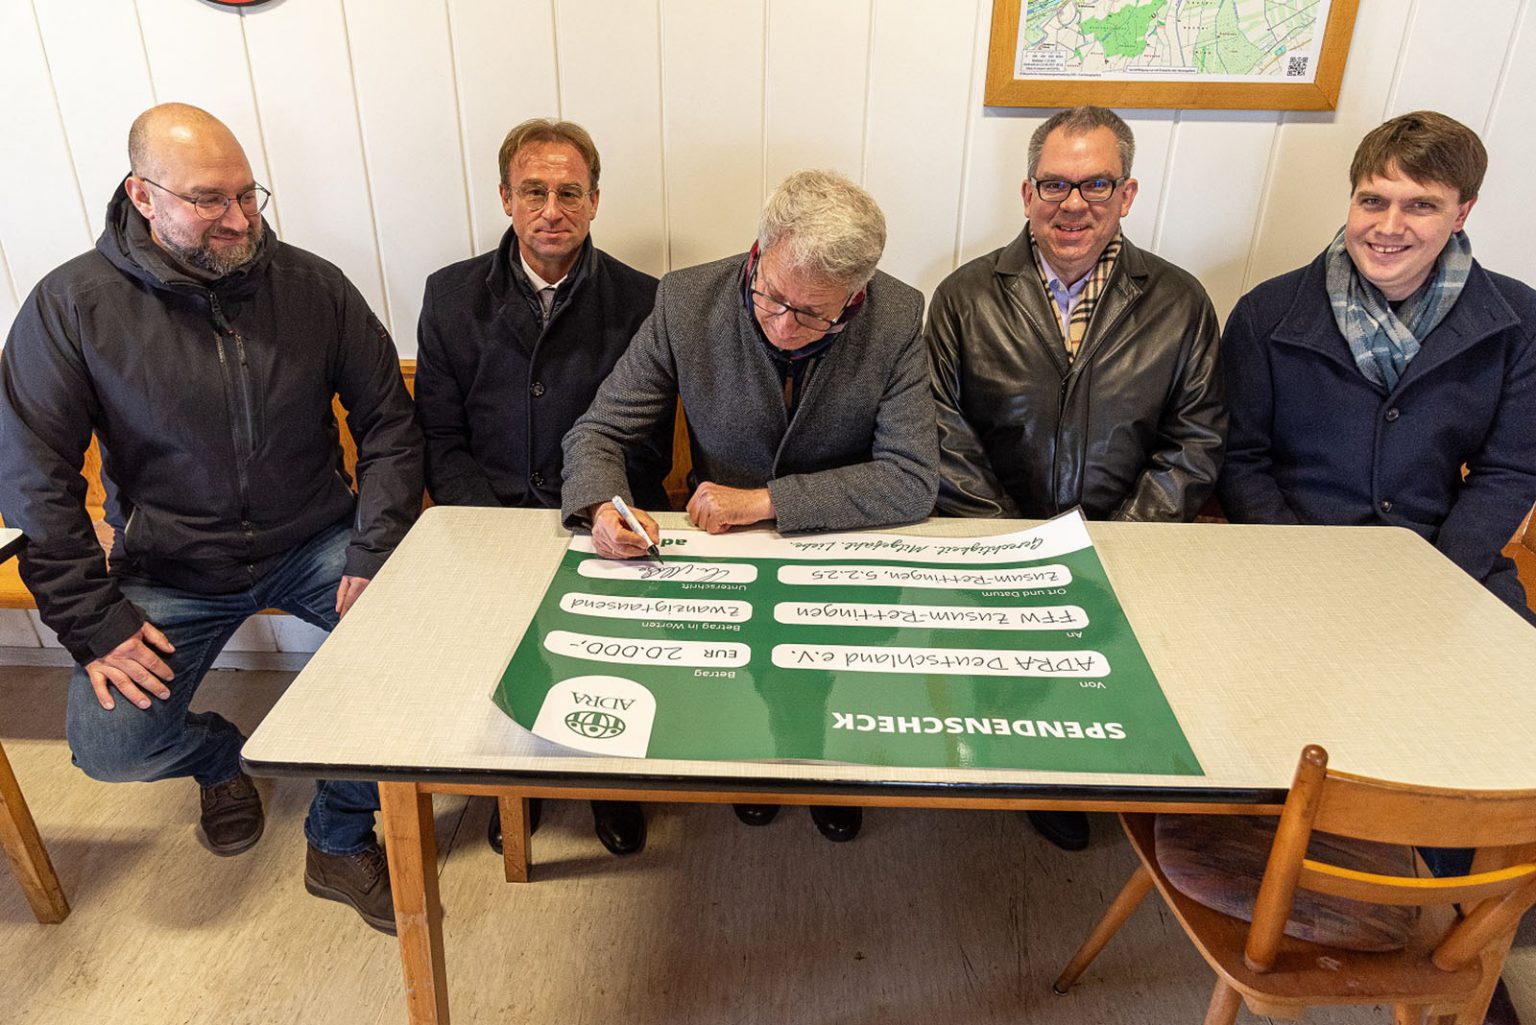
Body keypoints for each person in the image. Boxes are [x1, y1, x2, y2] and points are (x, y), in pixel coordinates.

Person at [0, 103, 423, 934]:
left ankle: (339, 835)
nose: (239, 220)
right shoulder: (71, 306)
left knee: (416, 661)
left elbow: (389, 425)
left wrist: (375, 551)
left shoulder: (313, 286)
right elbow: (34, 479)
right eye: (209, 200)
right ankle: (221, 756)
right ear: (143, 195)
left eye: (248, 194)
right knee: (111, 746)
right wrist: (95, 621)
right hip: (169, 564)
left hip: (316, 540)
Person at [561, 169, 939, 843]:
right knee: (737, 678)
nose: (785, 325)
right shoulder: (686, 301)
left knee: (828, 678)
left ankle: (825, 769)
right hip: (725, 558)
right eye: (772, 297)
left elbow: (911, 477)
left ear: (855, 296)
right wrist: (600, 505)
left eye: (813, 313)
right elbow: (600, 430)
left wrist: (766, 501)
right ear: (758, 254)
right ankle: (753, 769)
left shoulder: (898, 316)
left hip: (836, 551)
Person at [925, 105, 1225, 852]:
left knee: (1109, 684)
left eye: (1096, 184)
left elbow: (1196, 439)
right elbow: (940, 427)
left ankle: (1095, 779)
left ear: (1126, 195)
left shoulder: (1181, 302)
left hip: (1129, 545)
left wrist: (1112, 548)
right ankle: (1023, 775)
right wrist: (1009, 544)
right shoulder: (962, 297)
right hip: (993, 544)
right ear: (1027, 194)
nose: (1074, 204)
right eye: (1055, 185)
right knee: (1005, 691)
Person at [415, 117, 662, 857]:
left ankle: (609, 784)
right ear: (505, 199)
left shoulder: (643, 298)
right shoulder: (450, 295)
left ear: (593, 202)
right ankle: (514, 783)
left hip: (598, 515)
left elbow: (645, 436)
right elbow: (439, 435)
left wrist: (597, 515)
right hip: (481, 517)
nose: (551, 208)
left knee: (606, 650)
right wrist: (492, 526)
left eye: (568, 192)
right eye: (533, 191)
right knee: (502, 656)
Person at [1220, 110, 1536, 627]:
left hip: (1450, 562)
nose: (1389, 227)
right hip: (1291, 556)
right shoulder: (1267, 313)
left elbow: (1509, 471)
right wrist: (1292, 560)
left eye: (1421, 205)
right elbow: (1240, 458)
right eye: (1373, 201)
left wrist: (1437, 578)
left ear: (1461, 213)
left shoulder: (1517, 321)